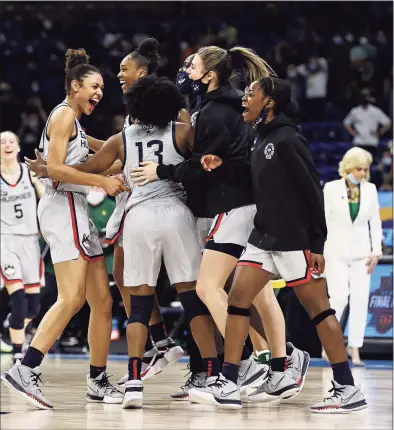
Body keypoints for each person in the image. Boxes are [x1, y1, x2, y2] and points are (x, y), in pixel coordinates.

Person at [131, 46, 305, 394]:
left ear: (209, 74)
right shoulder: (216, 107)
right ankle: (281, 364)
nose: (186, 68)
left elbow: (201, 166)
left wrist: (161, 170)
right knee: (254, 294)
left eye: (192, 65)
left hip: (234, 205)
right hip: (240, 204)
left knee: (210, 287)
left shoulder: (216, 113)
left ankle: (249, 363)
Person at [193, 77, 367, 413]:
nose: (244, 98)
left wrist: (317, 243)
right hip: (263, 237)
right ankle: (229, 380)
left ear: (269, 102)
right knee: (238, 301)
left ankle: (346, 387)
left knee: (320, 311)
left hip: (294, 239)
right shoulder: (262, 138)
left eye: (250, 94)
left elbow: (312, 192)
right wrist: (222, 165)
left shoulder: (288, 139)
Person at [53, 75, 220, 409]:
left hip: (139, 217)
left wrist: (48, 166)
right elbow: (205, 165)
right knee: (191, 297)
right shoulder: (183, 132)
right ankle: (213, 375)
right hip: (176, 214)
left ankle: (132, 382)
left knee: (139, 303)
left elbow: (88, 168)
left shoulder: (121, 138)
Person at [1, 49, 126, 410]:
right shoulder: (62, 115)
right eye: (94, 86)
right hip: (62, 207)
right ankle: (26, 368)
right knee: (71, 298)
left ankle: (98, 379)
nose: (100, 93)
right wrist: (106, 180)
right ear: (75, 86)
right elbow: (55, 169)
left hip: (76, 207)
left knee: (101, 301)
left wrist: (125, 154)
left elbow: (99, 151)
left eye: (102, 87)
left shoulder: (75, 122)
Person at [324, 147, 382, 366]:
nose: (363, 174)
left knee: (360, 301)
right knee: (338, 299)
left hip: (362, 254)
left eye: (366, 169)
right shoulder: (330, 188)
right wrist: (318, 251)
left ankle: (355, 348)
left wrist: (376, 252)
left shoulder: (371, 189)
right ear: (348, 168)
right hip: (335, 252)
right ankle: (330, 345)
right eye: (359, 169)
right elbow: (322, 221)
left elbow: (375, 223)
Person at [0, 131, 45, 363]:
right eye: (2, 141)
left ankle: (14, 324)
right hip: (5, 241)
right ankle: (18, 353)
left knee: (33, 308)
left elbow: (46, 199)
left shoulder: (29, 173)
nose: (6, 144)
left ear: (18, 147)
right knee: (18, 301)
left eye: (11, 141)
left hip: (30, 240)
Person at [343, 92, 392, 161]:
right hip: (359, 142)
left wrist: (379, 132)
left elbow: (388, 123)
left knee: (369, 163)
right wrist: (353, 132)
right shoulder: (355, 111)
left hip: (371, 142)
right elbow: (346, 123)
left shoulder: (375, 111)